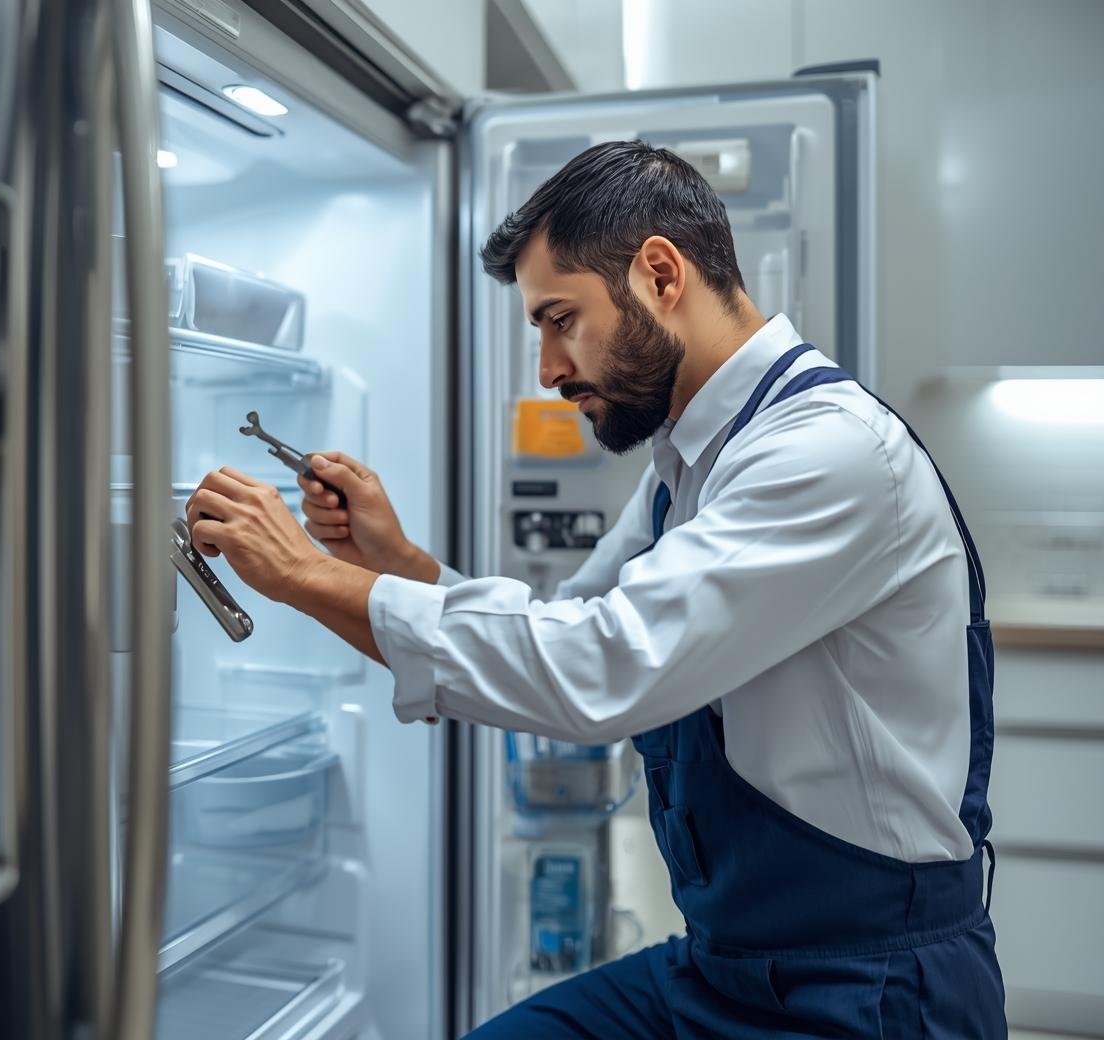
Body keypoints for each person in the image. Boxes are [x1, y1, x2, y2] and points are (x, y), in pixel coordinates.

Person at [183, 140, 1006, 1038]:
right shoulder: (688, 464)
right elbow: (572, 625)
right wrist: (399, 562)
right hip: (725, 965)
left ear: (660, 273)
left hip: (867, 989)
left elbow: (597, 670)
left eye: (559, 319)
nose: (547, 367)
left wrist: (304, 574)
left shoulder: (827, 454)